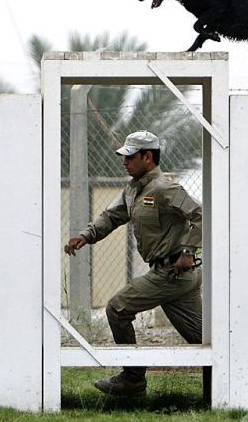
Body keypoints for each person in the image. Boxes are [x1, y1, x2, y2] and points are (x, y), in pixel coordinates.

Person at [64, 130, 202, 397]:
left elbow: (200, 215)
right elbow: (112, 216)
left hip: (173, 272)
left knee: (117, 308)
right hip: (172, 274)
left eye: (130, 157)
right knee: (203, 338)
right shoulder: (133, 189)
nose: (124, 162)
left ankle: (133, 380)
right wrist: (85, 235)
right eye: (123, 157)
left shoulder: (166, 188)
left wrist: (187, 251)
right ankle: (228, 386)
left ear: (147, 157)